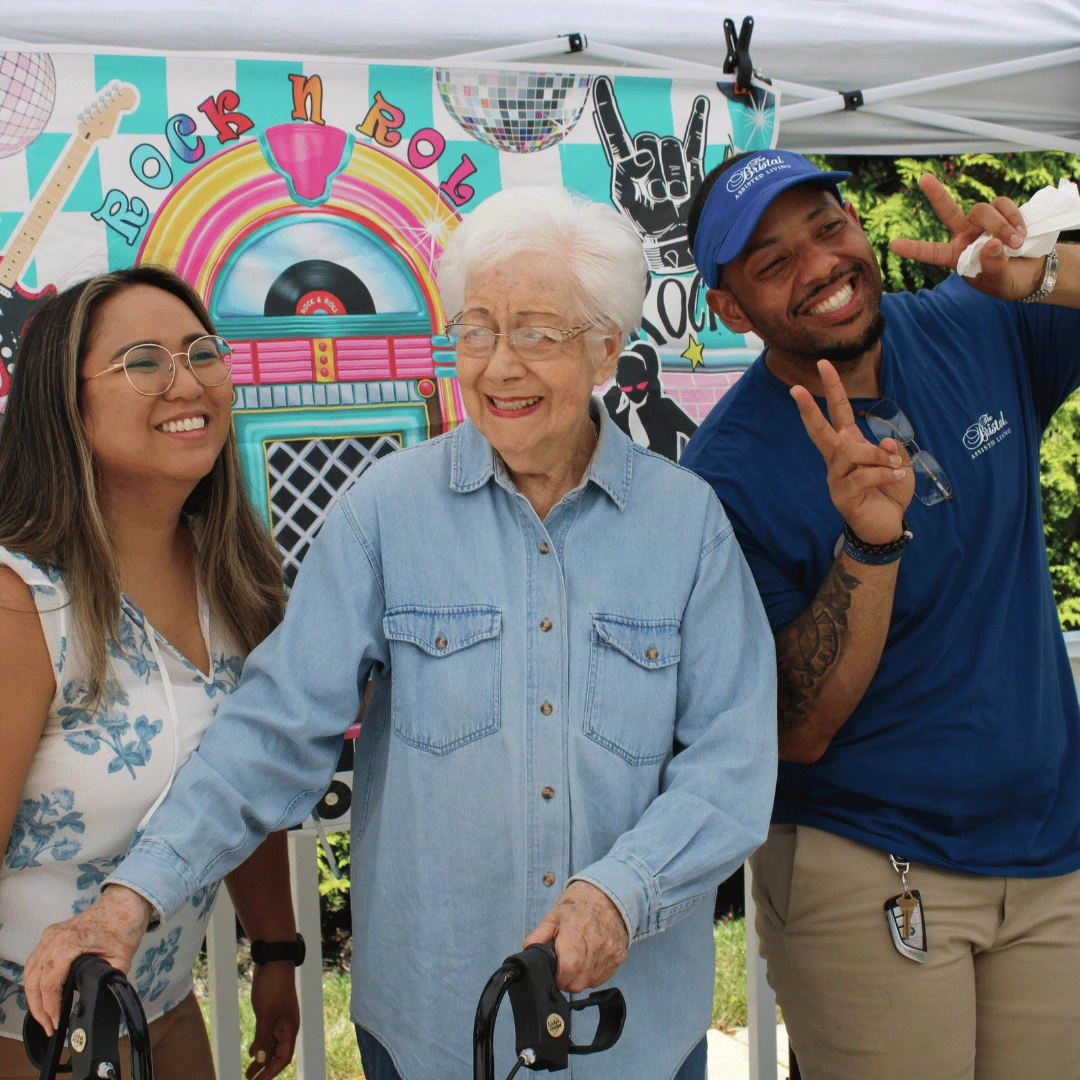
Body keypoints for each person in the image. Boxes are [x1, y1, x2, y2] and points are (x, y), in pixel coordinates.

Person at [22, 188, 778, 1080]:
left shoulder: (686, 524)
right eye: (476, 330)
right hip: (431, 1029)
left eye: (536, 331)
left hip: (633, 1038)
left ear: (606, 347)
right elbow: (273, 731)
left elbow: (732, 763)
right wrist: (128, 900)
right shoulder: (383, 514)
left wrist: (620, 895)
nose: (499, 366)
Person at [680, 148, 1080, 1079]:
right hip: (875, 872)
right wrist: (867, 548)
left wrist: (1043, 272)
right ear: (733, 309)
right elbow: (796, 727)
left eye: (829, 227)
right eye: (774, 262)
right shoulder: (723, 475)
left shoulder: (978, 322)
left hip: (1052, 853)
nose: (820, 264)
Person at [0, 268, 301, 1080]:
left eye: (202, 353)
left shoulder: (233, 581)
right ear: (66, 401)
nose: (187, 381)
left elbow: (240, 780)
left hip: (163, 1019)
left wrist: (276, 947)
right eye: (142, 362)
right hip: (29, 1045)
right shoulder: (21, 600)